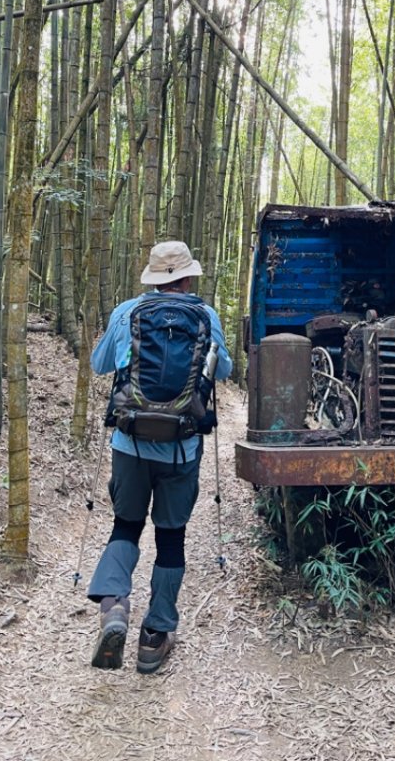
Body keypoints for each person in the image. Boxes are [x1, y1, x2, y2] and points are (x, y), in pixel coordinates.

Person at [87, 240, 232, 674]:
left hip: (129, 446)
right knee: (171, 537)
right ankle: (155, 636)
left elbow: (99, 365)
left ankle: (114, 606)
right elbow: (222, 370)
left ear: (152, 278)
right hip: (181, 448)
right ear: (187, 278)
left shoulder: (127, 312)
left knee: (126, 525)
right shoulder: (205, 316)